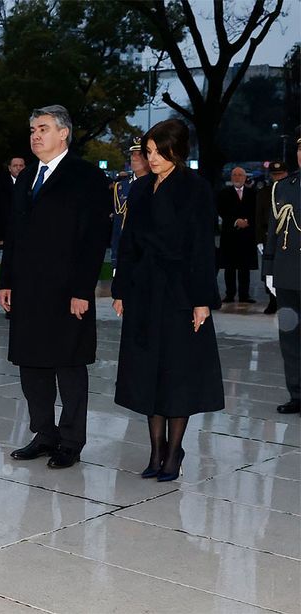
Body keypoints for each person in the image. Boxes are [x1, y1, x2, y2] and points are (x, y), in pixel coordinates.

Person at [111, 119, 225, 481]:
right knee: (147, 373)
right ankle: (156, 448)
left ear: (178, 150)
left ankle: (174, 452)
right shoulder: (141, 188)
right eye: (149, 152)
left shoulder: (196, 188)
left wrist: (202, 300)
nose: (153, 158)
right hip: (144, 291)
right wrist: (120, 290)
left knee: (177, 374)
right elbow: (127, 244)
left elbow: (203, 248)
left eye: (160, 152)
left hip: (180, 291)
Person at [0, 105, 110, 469]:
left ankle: (71, 441)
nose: (35, 135)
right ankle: (44, 434)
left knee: (70, 366)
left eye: (43, 128)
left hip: (66, 291)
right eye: (32, 129)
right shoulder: (27, 177)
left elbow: (94, 239)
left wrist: (82, 289)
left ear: (64, 133)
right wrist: (6, 281)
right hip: (28, 291)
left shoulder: (86, 176)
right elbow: (13, 235)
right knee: (32, 366)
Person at [262, 138, 301, 415]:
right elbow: (273, 232)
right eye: (300, 149)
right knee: (290, 336)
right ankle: (297, 394)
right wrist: (269, 270)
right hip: (287, 276)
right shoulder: (284, 186)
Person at [217, 167, 258, 303]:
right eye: (234, 175)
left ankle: (244, 295)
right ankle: (229, 294)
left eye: (240, 175)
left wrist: (247, 221)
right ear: (231, 177)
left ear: (245, 177)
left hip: (246, 235)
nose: (237, 177)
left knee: (244, 267)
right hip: (230, 235)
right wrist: (236, 221)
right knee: (229, 267)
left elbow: (257, 211)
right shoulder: (223, 193)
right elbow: (221, 210)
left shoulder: (253, 193)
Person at [256, 160, 289, 314]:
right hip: (268, 237)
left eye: (281, 174)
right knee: (269, 270)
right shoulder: (264, 193)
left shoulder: (292, 191)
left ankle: (286, 301)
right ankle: (272, 301)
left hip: (287, 238)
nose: (278, 177)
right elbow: (258, 217)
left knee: (285, 270)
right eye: (275, 175)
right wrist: (259, 239)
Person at [110, 137, 148, 272]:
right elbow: (117, 225)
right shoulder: (122, 186)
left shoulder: (156, 185)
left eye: (140, 154)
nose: (134, 158)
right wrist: (115, 259)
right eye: (132, 154)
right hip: (126, 254)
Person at [0, 156, 26, 249]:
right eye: (15, 165)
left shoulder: (31, 184)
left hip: (26, 233)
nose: (18, 168)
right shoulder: (0, 186)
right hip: (7, 233)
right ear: (9, 168)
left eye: (21, 165)